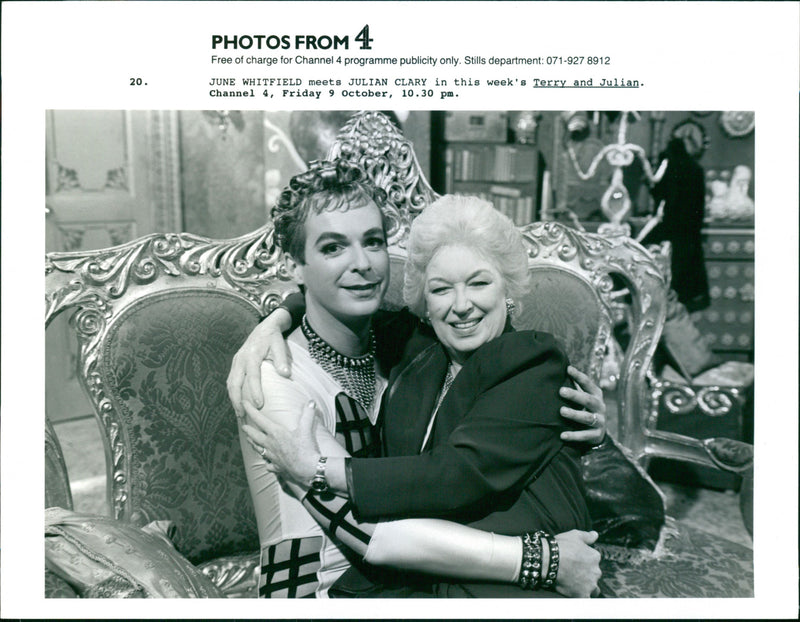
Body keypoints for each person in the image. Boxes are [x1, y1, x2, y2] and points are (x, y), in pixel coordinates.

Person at [233, 161, 606, 598]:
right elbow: (374, 534)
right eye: (333, 248)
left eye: (372, 242)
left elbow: (466, 467)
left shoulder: (395, 342)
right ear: (296, 264)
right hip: (317, 586)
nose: (362, 264)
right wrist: (542, 560)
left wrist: (593, 433)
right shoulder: (270, 377)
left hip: (419, 574)